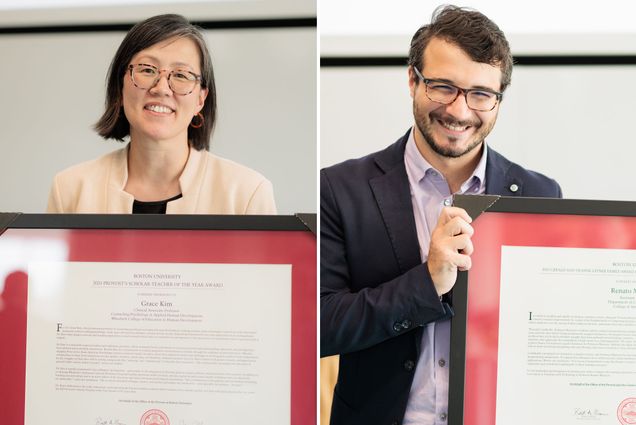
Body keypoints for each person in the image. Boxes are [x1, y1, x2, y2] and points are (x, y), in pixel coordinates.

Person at [320, 5, 562, 425]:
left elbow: (549, 327)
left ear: (499, 99)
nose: (459, 110)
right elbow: (321, 327)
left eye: (481, 94)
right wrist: (427, 282)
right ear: (413, 80)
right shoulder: (340, 188)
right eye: (443, 87)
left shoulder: (541, 195)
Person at [47, 14, 275, 214]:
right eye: (147, 70)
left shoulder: (247, 194)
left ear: (200, 99)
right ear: (120, 87)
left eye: (181, 75)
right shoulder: (70, 189)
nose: (161, 88)